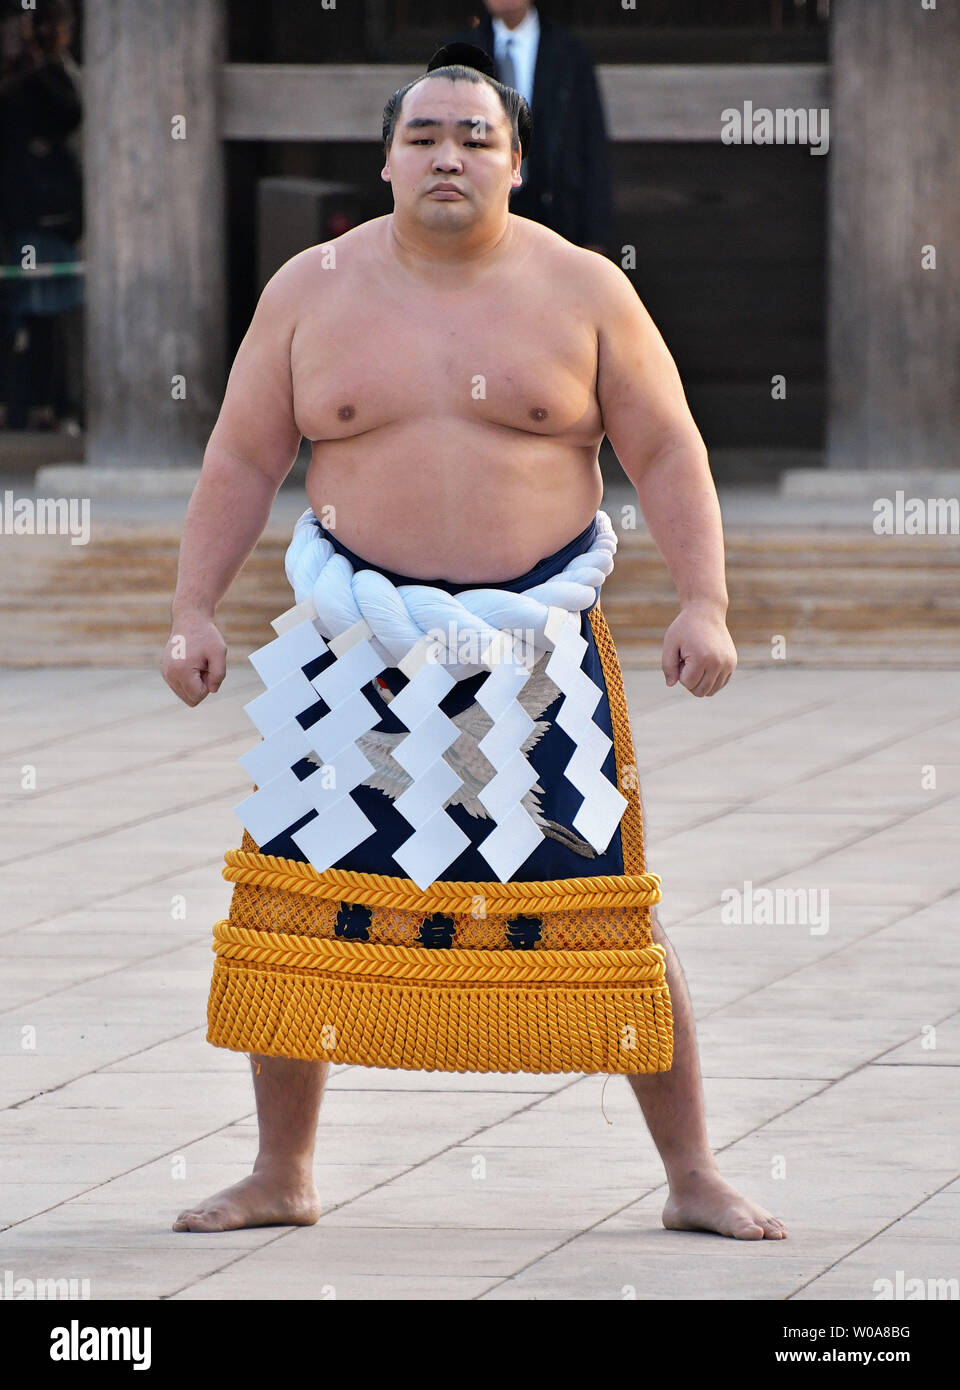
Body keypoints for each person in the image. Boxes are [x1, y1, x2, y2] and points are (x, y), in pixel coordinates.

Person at [162, 46, 786, 1243]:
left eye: (475, 137)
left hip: (539, 658)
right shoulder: (309, 289)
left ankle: (693, 1169)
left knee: (611, 908)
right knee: (300, 903)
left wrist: (703, 601)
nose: (449, 155)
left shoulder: (587, 288)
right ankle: (281, 1168)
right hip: (353, 651)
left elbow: (666, 450)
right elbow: (244, 457)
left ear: (518, 161)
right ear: (387, 158)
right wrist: (193, 608)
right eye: (426, 136)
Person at [446, 2, 613, 254]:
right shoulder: (461, 52)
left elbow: (592, 144)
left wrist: (595, 236)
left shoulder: (569, 53)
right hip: (481, 212)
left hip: (555, 210)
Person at [0, 0, 83, 431]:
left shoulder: (56, 73)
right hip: (29, 216)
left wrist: (43, 62)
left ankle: (53, 407)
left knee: (51, 315)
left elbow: (70, 115)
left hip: (56, 216)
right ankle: (21, 410)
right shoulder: (23, 85)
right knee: (26, 312)